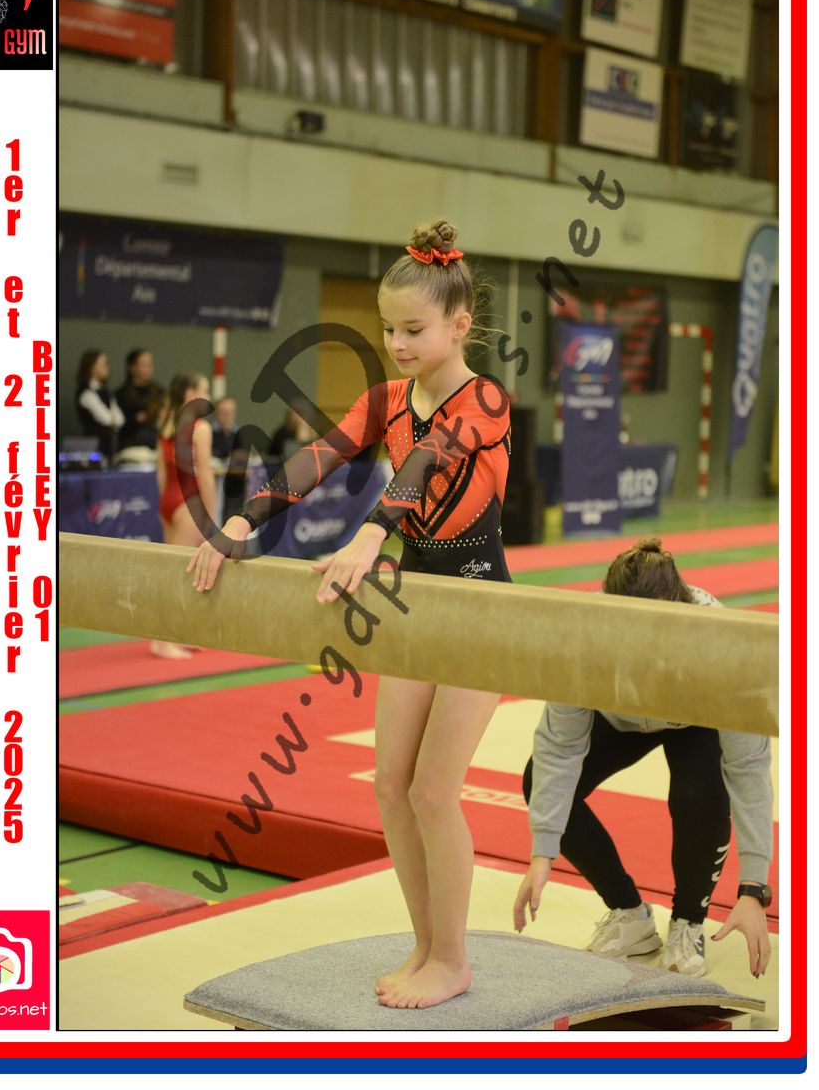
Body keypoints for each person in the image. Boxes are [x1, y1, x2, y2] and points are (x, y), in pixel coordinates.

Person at [187, 218, 511, 1009]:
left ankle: (454, 958)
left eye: (413, 330)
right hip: (417, 604)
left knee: (434, 791)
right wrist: (243, 518)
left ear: (459, 324)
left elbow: (432, 459)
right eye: (387, 328)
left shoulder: (486, 400)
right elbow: (315, 459)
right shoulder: (384, 400)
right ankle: (426, 946)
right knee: (391, 786)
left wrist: (373, 532)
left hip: (479, 610)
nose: (396, 344)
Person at [513, 537, 774, 981]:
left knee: (700, 797)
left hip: (694, 719)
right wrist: (543, 852)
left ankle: (688, 922)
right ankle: (629, 914)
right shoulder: (583, 636)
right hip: (621, 714)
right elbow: (559, 749)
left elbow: (747, 768)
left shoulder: (720, 644)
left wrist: (753, 889)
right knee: (538, 779)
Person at [153, 373, 216, 660]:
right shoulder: (200, 429)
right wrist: (210, 515)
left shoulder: (167, 423)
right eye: (204, 390)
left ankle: (181, 634)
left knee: (176, 570)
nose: (208, 397)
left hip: (169, 502)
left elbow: (161, 473)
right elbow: (205, 476)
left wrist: (165, 506)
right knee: (179, 576)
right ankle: (162, 640)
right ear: (191, 393)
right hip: (188, 505)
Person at [74, 350, 124, 461]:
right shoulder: (86, 392)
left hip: (109, 444)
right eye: (102, 364)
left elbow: (120, 420)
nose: (106, 368)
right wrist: (112, 420)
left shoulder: (105, 392)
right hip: (93, 446)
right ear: (92, 368)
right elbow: (106, 419)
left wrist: (113, 420)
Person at [116, 349, 163, 456]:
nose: (148, 369)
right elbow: (118, 425)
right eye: (144, 365)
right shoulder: (121, 395)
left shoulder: (159, 393)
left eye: (150, 365)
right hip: (130, 448)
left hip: (156, 446)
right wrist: (136, 419)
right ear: (132, 367)